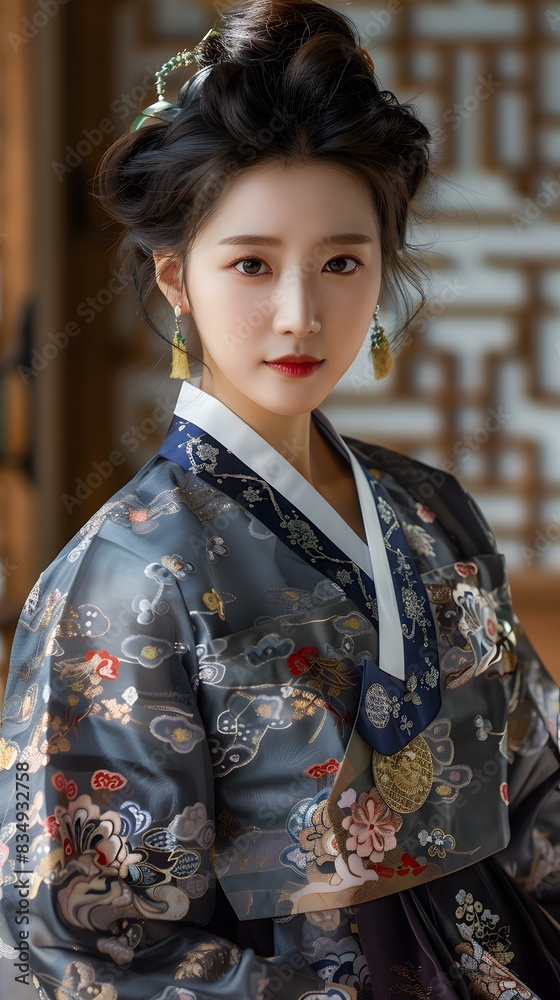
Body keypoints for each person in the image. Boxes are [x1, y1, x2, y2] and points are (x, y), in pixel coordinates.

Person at [0, 2, 559, 998]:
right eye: (251, 263)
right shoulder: (126, 576)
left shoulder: (432, 512)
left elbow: (530, 791)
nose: (300, 313)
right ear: (175, 275)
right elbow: (91, 943)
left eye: (341, 262)